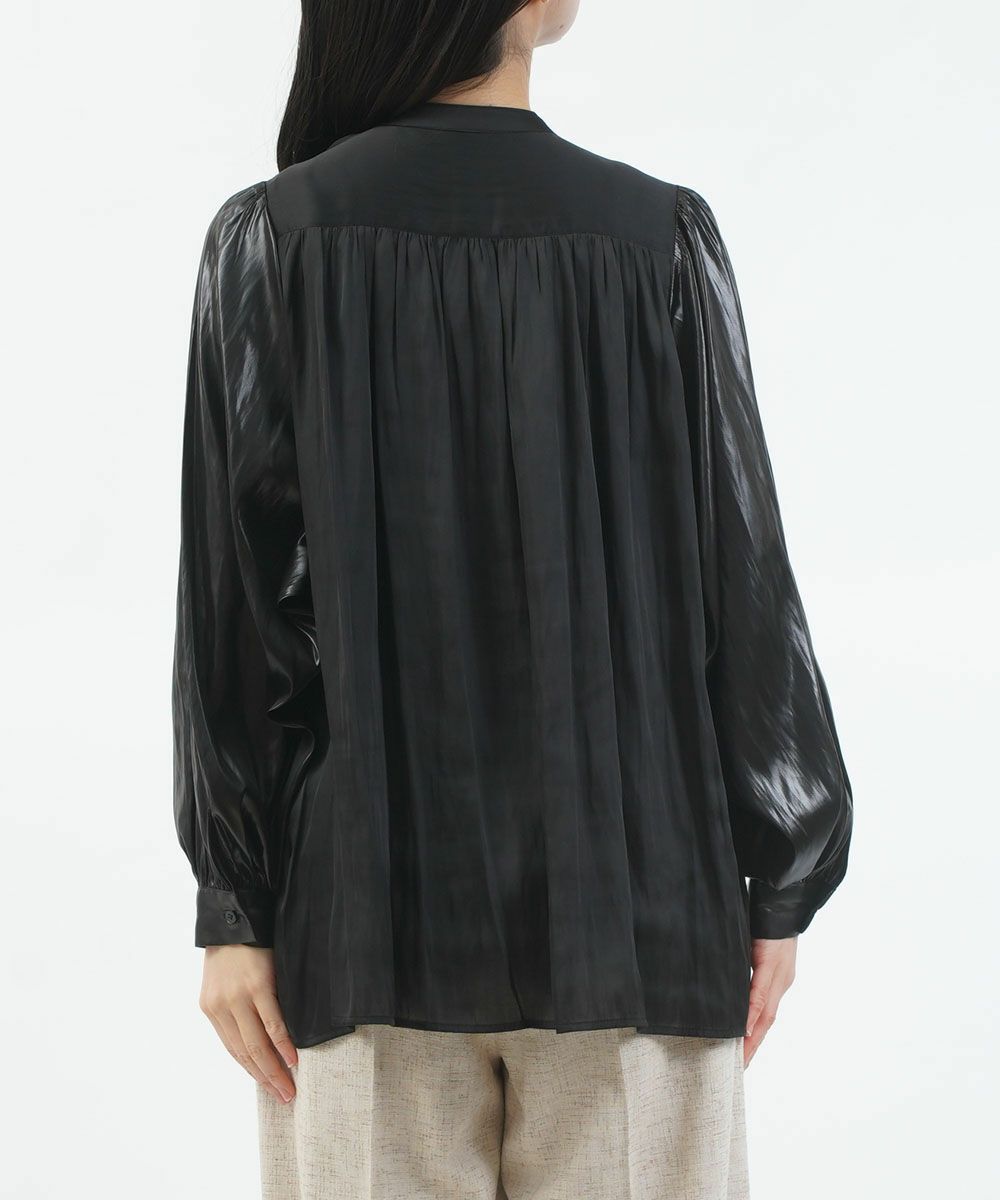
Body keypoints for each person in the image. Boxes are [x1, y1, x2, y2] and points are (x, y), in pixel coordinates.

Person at [171, 1, 853, 1196]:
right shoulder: (657, 240)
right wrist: (779, 870)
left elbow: (239, 614)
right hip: (639, 913)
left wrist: (237, 904)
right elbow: (740, 576)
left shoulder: (274, 238)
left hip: (365, 922)